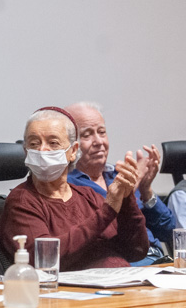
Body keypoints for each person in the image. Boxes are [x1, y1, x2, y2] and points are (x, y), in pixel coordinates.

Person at [0, 106, 148, 269]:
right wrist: (107, 210)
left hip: (120, 281)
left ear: (73, 151)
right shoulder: (22, 201)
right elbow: (44, 259)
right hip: (71, 290)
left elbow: (136, 251)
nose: (42, 150)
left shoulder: (87, 195)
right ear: (26, 151)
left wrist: (126, 198)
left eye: (53, 143)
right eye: (34, 143)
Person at [66, 102, 174, 264]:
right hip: (123, 264)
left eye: (102, 132)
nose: (98, 141)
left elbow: (169, 231)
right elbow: (103, 232)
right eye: (87, 135)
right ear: (70, 145)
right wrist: (130, 187)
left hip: (159, 261)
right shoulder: (67, 185)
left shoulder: (120, 175)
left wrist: (145, 190)